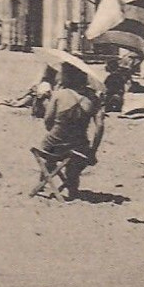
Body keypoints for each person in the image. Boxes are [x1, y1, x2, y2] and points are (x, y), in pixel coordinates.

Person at [33, 66, 102, 200]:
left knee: (49, 150)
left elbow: (47, 122)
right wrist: (93, 150)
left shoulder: (59, 95)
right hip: (79, 148)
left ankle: (43, 182)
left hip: (53, 147)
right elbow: (100, 126)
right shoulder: (93, 98)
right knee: (76, 160)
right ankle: (72, 186)